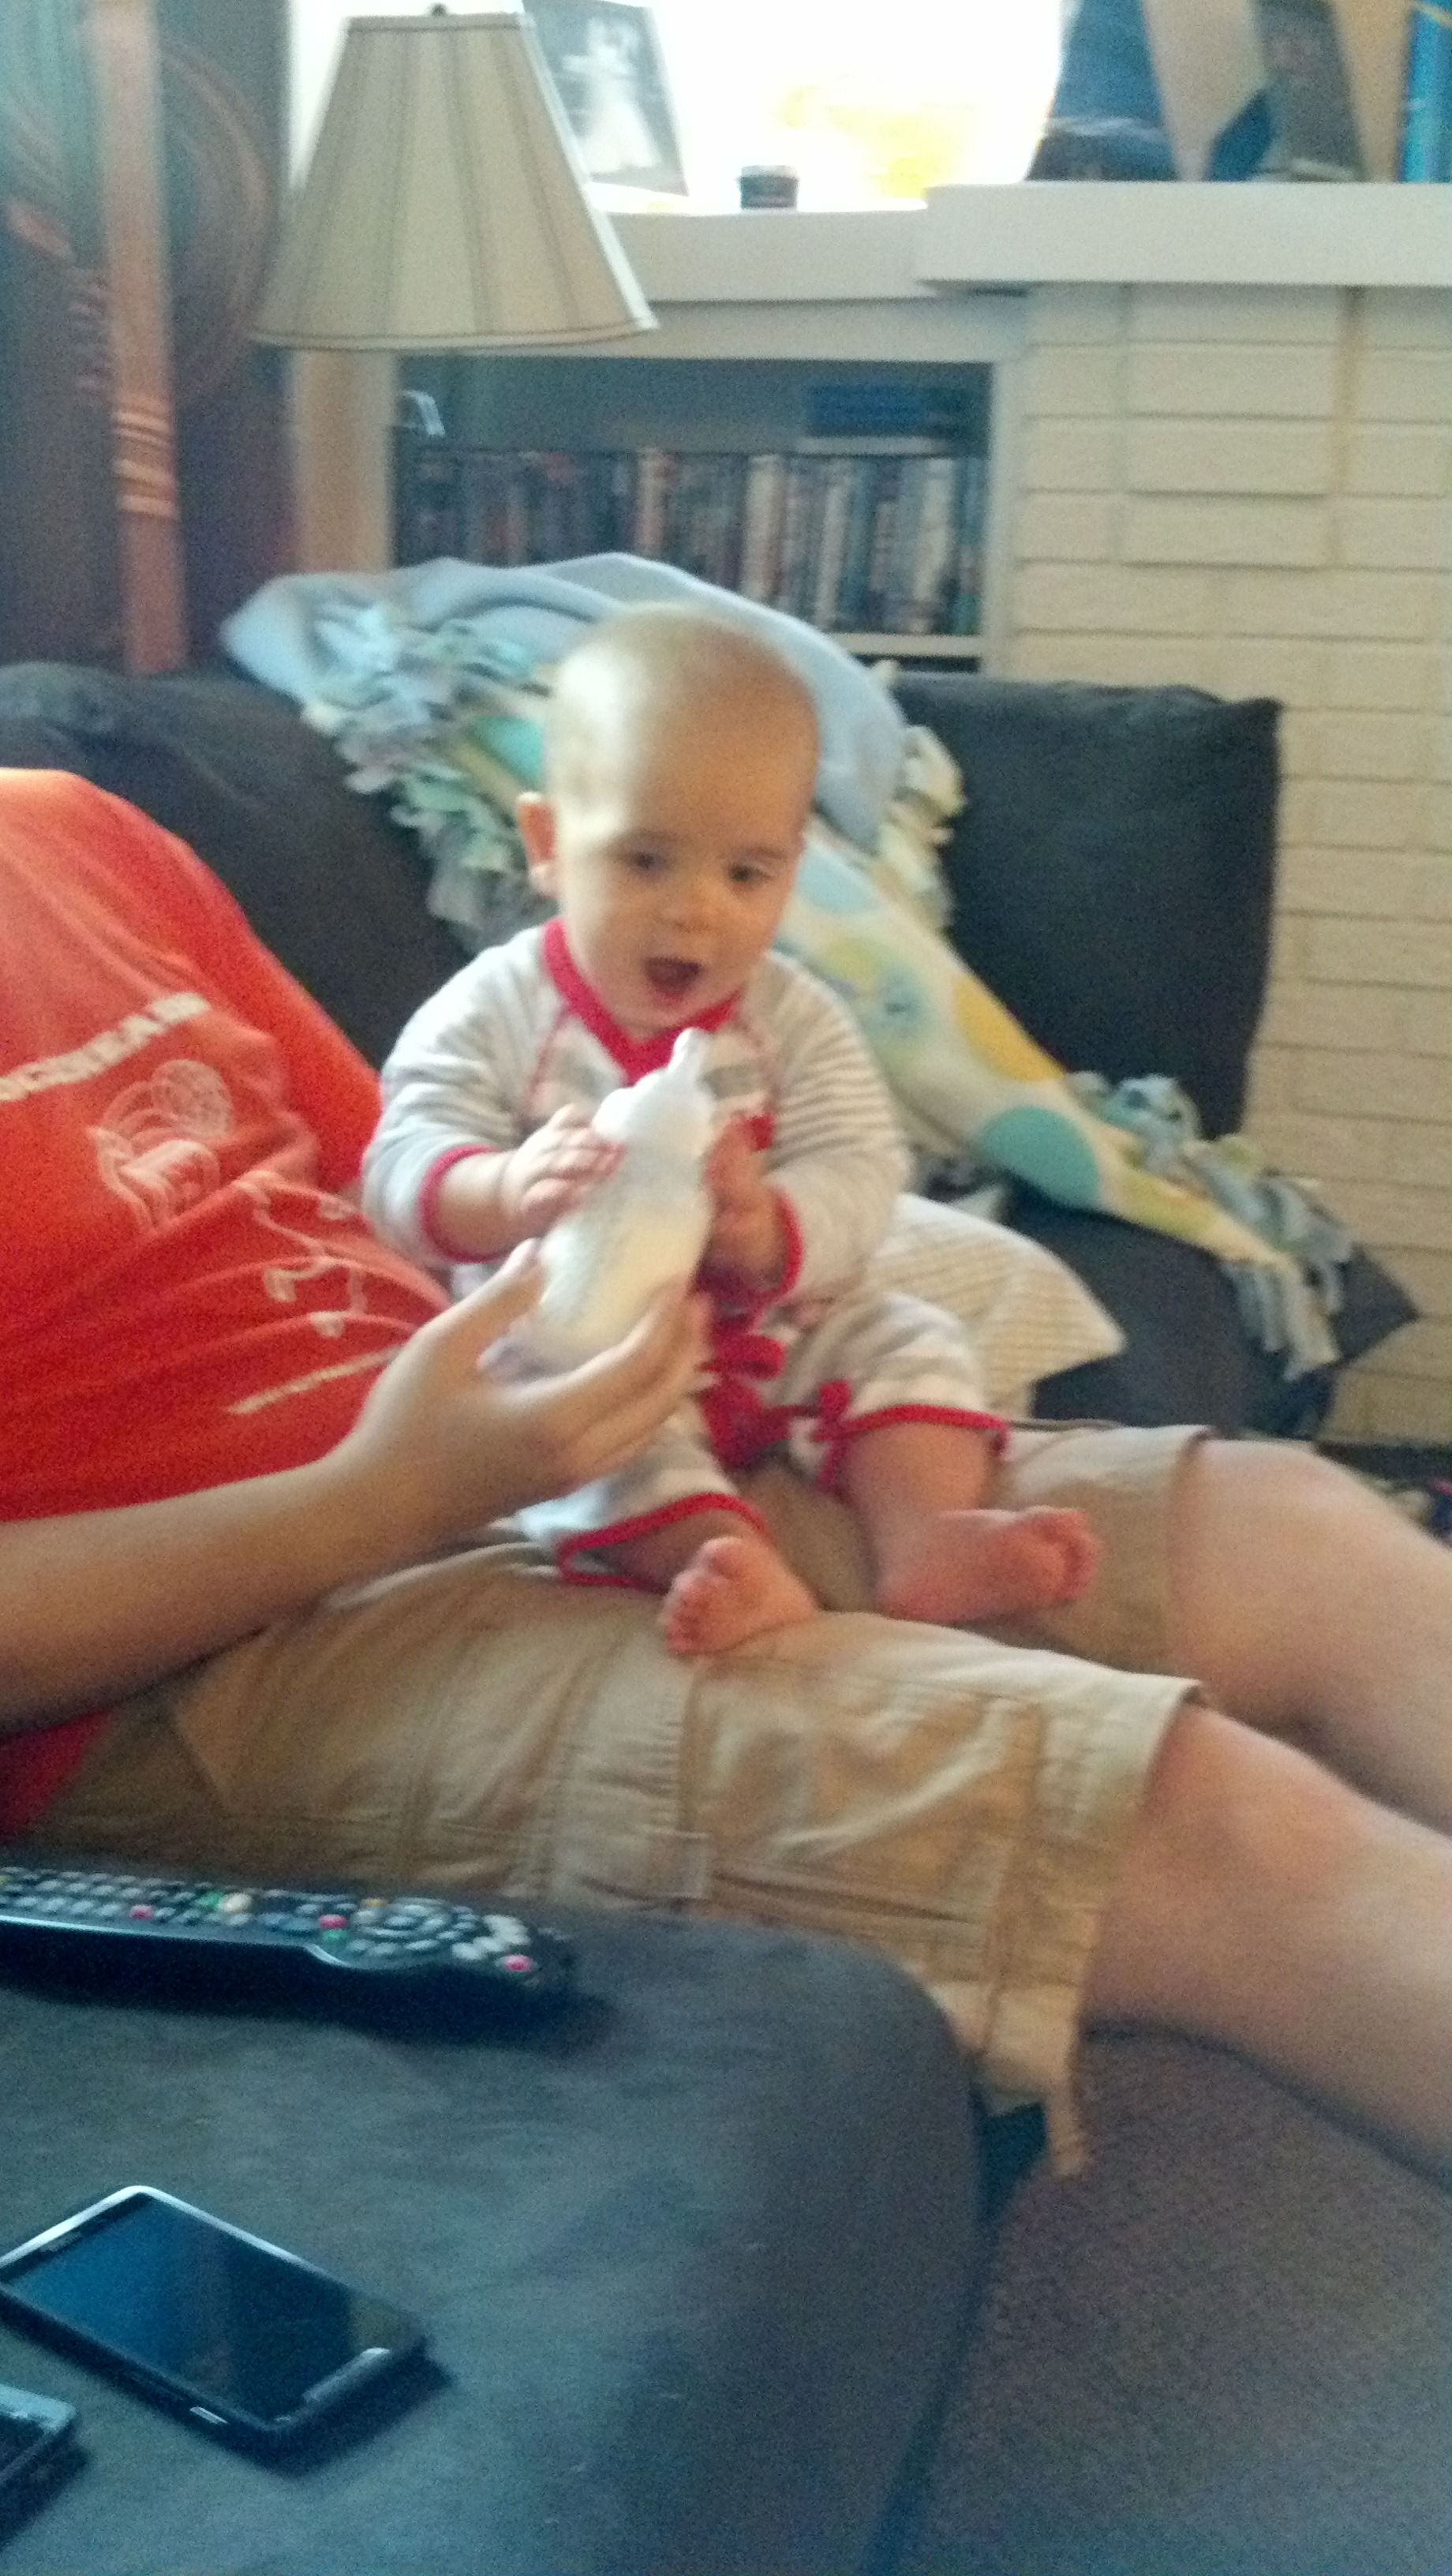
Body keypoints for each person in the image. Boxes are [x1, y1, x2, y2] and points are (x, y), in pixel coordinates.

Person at [2, 759, 1451, 2185]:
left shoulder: (79, 834)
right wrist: (381, 1499)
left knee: (1301, 1536)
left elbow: (397, 1186)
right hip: (198, 1656)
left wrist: (653, 1249)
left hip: (516, 1459)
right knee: (1196, 1817)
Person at [364, 607, 1098, 1657]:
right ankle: (722, 1556)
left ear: (791, 873)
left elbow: (863, 1167)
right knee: (569, 1437)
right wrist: (502, 1187)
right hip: (584, 1347)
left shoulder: (794, 1020)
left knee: (909, 1337)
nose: (695, 912)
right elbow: (398, 1159)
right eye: (646, 861)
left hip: (768, 1335)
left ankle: (928, 1537)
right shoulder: (497, 1008)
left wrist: (770, 1224)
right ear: (548, 846)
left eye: (746, 875)